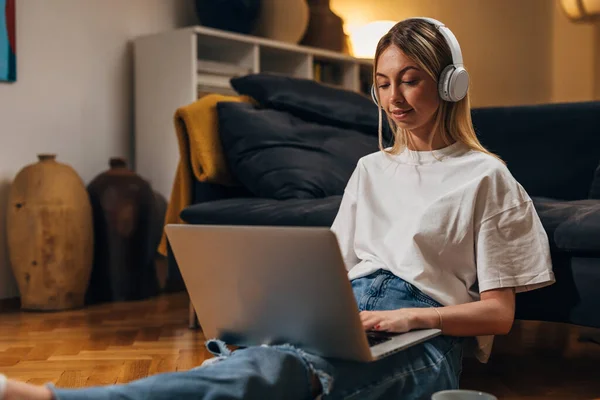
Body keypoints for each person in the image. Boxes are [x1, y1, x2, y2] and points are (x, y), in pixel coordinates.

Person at [0, 17, 555, 400]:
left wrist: (412, 316)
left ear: (450, 85)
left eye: (411, 80)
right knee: (261, 365)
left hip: (426, 335)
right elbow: (332, 268)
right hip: (344, 312)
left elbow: (497, 315)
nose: (394, 99)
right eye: (383, 83)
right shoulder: (370, 170)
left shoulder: (487, 176)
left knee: (279, 373)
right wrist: (272, 312)